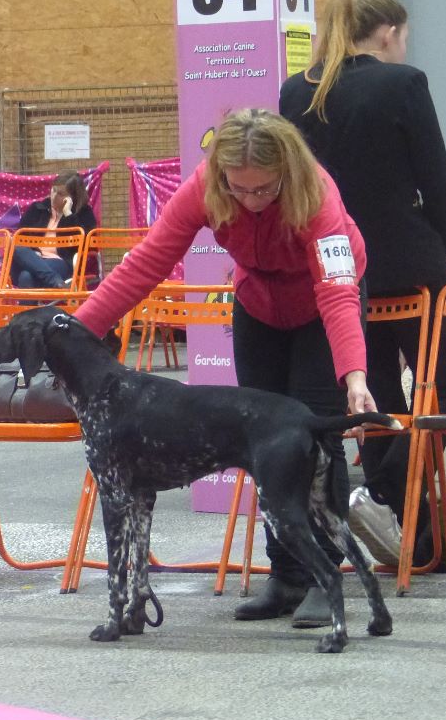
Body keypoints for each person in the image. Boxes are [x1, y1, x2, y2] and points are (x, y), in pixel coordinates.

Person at [73, 108, 376, 628]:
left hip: (321, 307)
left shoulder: (318, 195)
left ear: (288, 172)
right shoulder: (203, 188)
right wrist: (75, 335)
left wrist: (355, 377)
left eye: (265, 190)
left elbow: (337, 292)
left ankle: (329, 576)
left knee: (316, 437)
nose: (252, 200)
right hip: (258, 303)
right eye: (240, 190)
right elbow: (146, 263)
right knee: (263, 443)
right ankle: (284, 576)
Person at [280, 0, 446, 566]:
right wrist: (438, 246)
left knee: (380, 398)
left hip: (339, 266)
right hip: (410, 261)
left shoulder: (296, 92)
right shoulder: (404, 84)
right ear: (387, 32)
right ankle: (382, 490)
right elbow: (437, 182)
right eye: (404, 34)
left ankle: (412, 530)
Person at [11, 171, 98, 289]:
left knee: (26, 277)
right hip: (32, 258)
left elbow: (88, 244)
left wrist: (68, 214)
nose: (54, 196)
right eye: (54, 190)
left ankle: (33, 304)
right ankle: (56, 281)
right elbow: (19, 238)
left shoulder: (83, 213)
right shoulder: (37, 209)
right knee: (18, 249)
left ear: (72, 198)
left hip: (60, 261)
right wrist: (33, 254)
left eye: (61, 194)